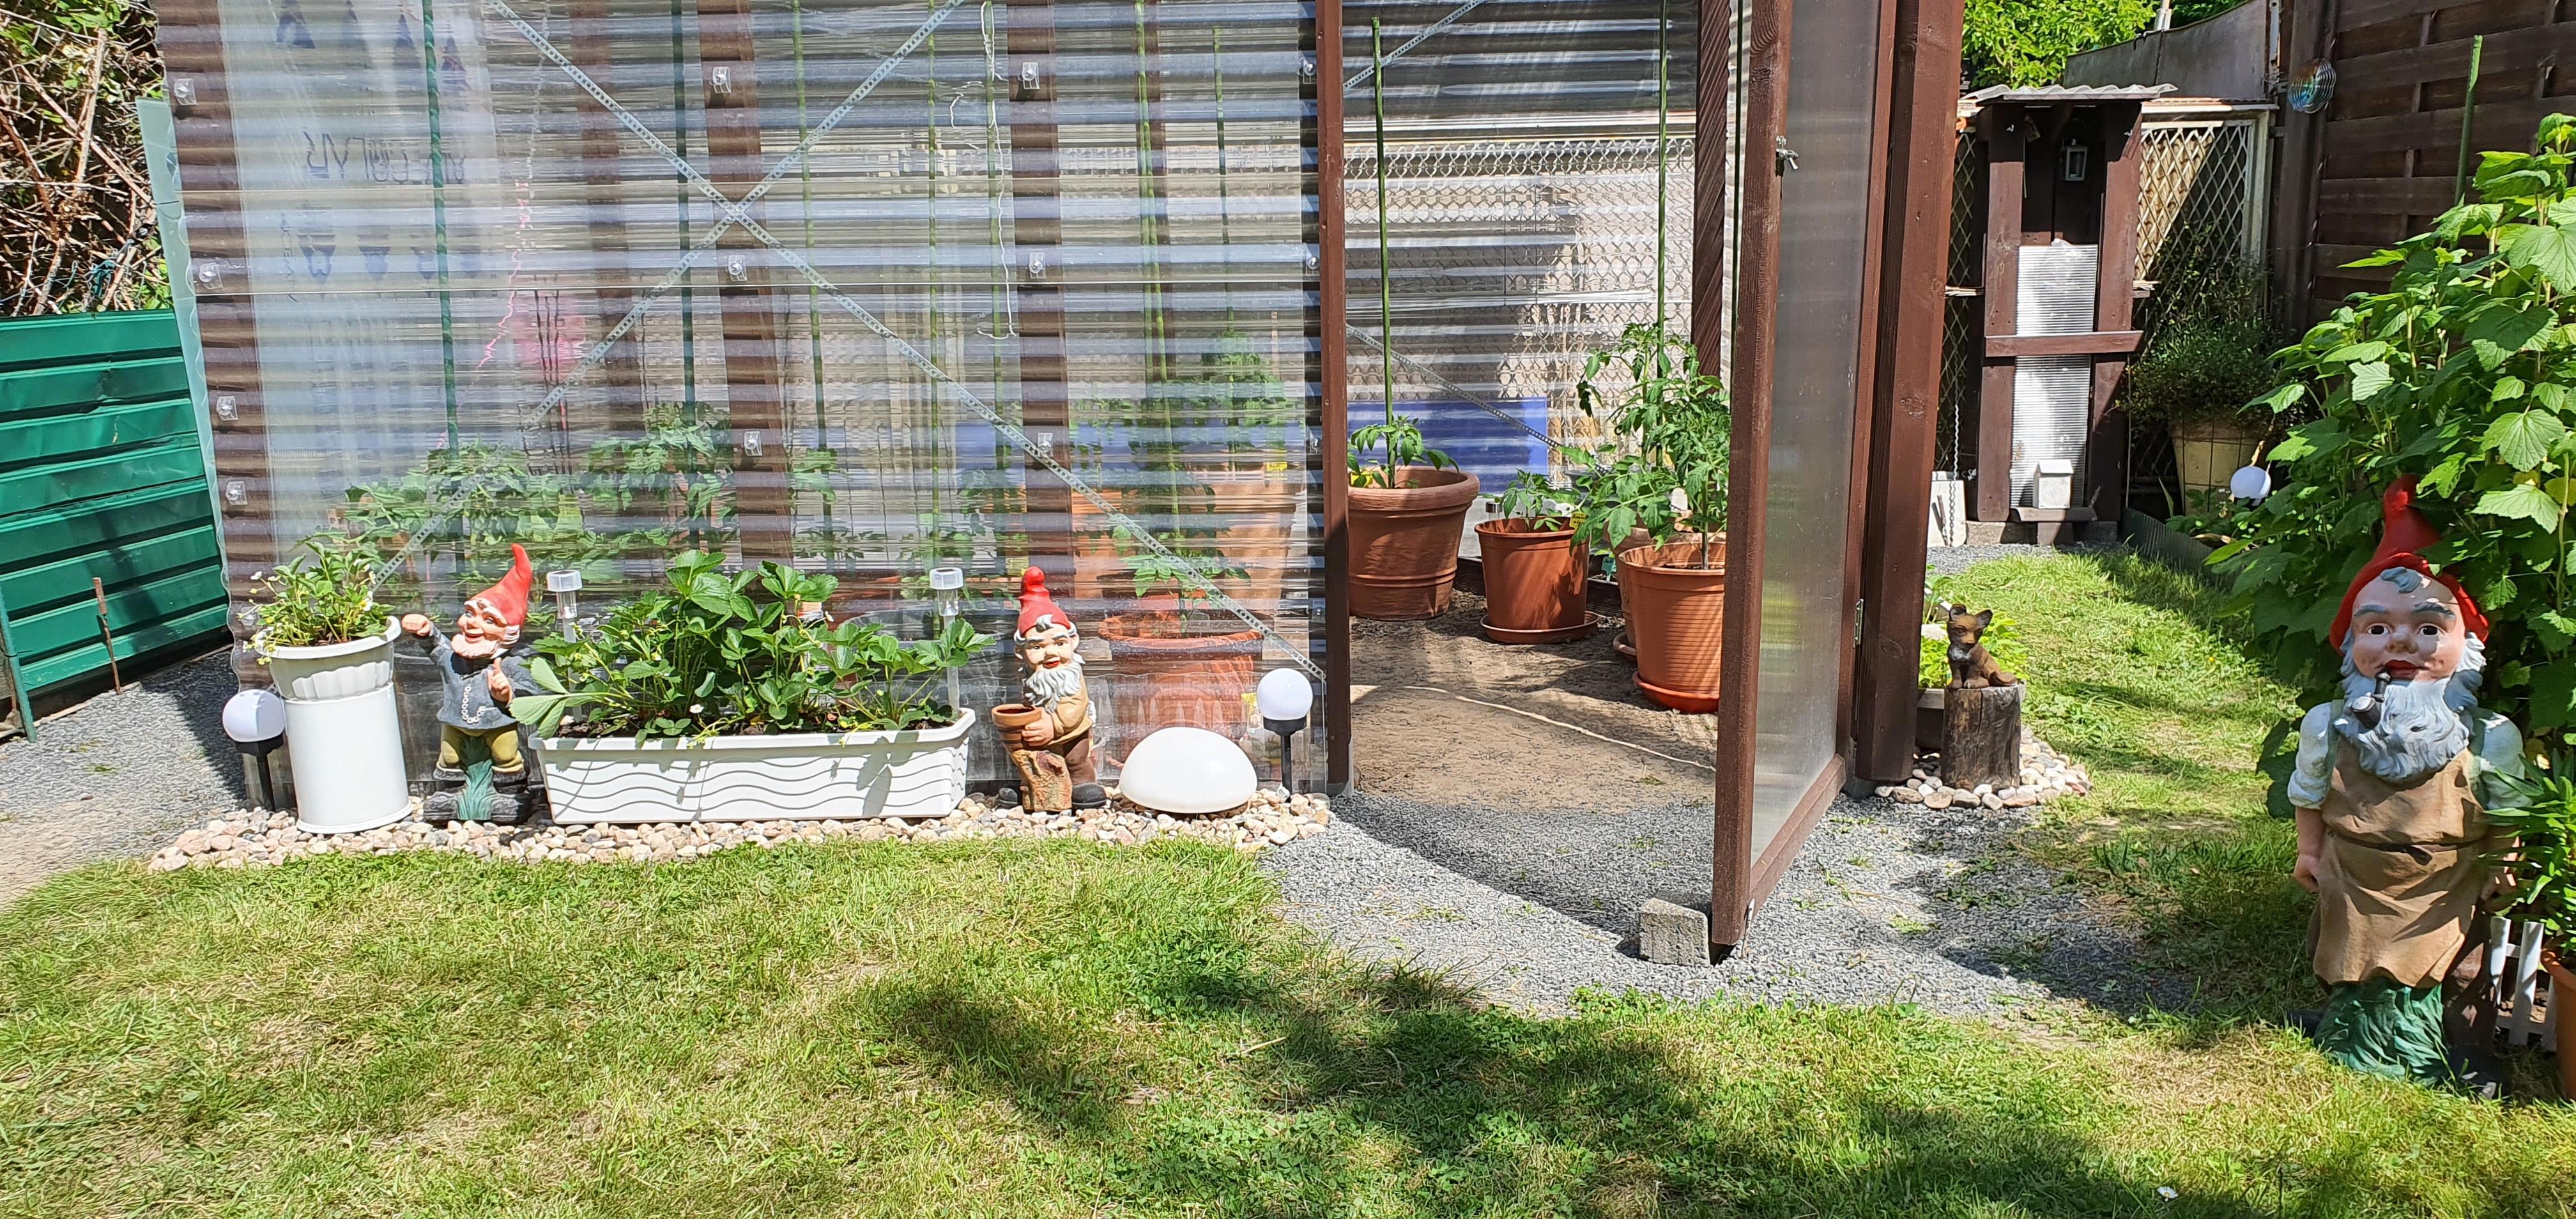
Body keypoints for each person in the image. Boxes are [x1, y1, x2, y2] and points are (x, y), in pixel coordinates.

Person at [2286, 477, 2523, 1091]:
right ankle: (2347, 1035)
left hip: (2446, 886)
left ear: (2466, 645)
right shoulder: (2328, 726)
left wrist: (2502, 865)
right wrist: (2310, 851)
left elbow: (2507, 812)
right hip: (2352, 875)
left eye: (2428, 629)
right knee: (2346, 960)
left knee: (2452, 970)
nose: (2399, 643)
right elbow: (2309, 794)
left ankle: (2449, 1052)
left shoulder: (2489, 737)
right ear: (2351, 646)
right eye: (2376, 628)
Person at [401, 545, 540, 824]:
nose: (473, 625)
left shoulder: (511, 663)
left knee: (506, 754)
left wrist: (507, 692)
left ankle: (510, 792)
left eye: (489, 620)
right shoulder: (453, 659)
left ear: (508, 632)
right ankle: (450, 793)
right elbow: (437, 646)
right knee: (450, 756)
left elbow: (533, 693)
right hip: (455, 722)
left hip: (497, 724)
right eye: (469, 614)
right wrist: (426, 630)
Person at [1005, 567, 1108, 810]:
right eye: (1037, 647)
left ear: (1074, 642)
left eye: (1060, 643)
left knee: (1075, 760)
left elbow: (1075, 706)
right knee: (1033, 761)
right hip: (1038, 734)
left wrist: (1053, 725)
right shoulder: (1032, 677)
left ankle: (1082, 786)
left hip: (1072, 732)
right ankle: (1029, 788)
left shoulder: (1071, 675)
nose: (1051, 653)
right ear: (1020, 653)